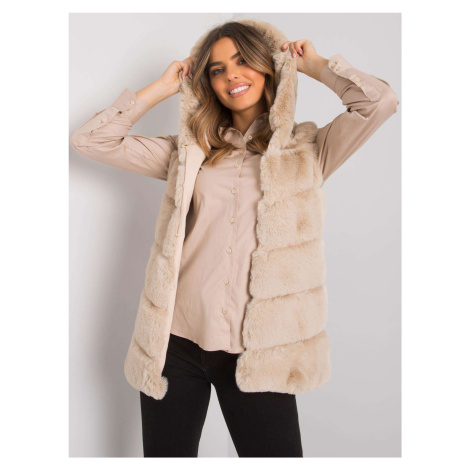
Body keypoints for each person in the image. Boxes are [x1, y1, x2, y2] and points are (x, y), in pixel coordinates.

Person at [70, 19, 399, 457]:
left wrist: (315, 65)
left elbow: (380, 103)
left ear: (268, 66)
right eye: (217, 69)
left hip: (257, 352)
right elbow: (90, 141)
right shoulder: (190, 152)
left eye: (243, 61)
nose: (231, 76)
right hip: (175, 344)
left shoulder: (308, 149)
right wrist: (163, 88)